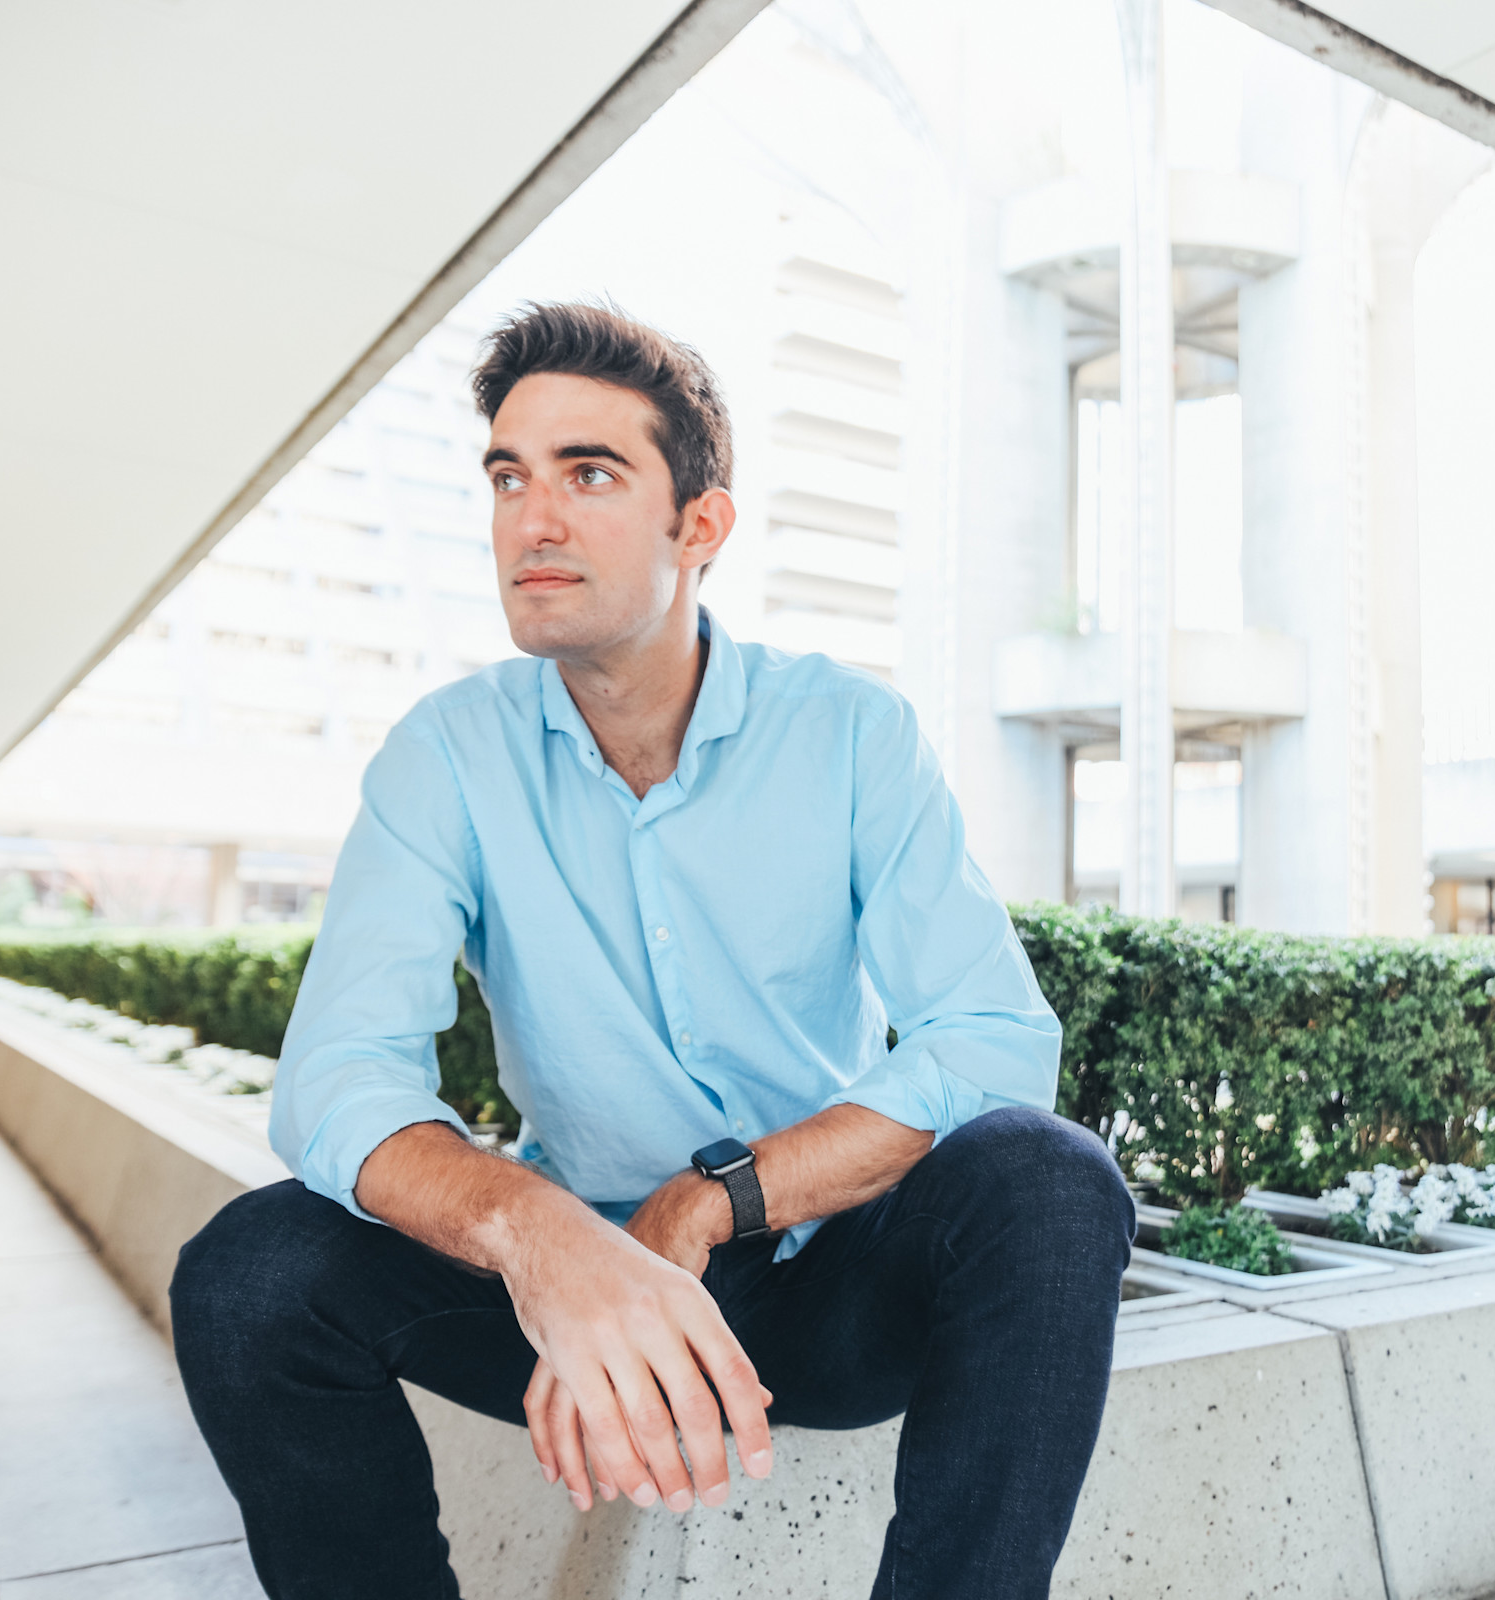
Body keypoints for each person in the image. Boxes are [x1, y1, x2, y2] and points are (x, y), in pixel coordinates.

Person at [170, 301, 1135, 1600]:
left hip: (820, 1282)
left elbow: (993, 1040)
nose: (533, 519)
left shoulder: (850, 734)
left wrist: (712, 1199)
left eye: (589, 473)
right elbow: (336, 1081)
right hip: (561, 1303)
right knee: (250, 1274)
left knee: (1048, 1181)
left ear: (701, 526)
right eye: (509, 476)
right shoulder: (448, 755)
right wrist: (543, 1239)